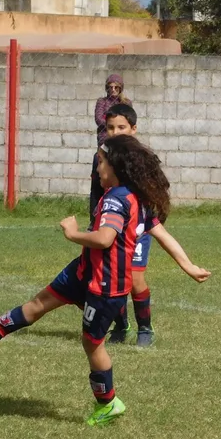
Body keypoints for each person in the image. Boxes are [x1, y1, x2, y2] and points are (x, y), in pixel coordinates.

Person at [0, 134, 211, 426]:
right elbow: (162, 234)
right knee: (39, 303)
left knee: (92, 343)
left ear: (116, 166)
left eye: (101, 162)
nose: (97, 168)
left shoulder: (118, 199)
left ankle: (108, 404)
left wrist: (72, 234)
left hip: (105, 286)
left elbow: (105, 238)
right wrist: (188, 265)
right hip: (84, 271)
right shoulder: (132, 196)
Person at [89, 104, 156, 347]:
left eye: (121, 127)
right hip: (110, 226)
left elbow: (151, 192)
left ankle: (145, 328)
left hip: (136, 229)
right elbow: (96, 191)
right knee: (112, 278)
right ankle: (120, 324)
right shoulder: (101, 156)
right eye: (110, 128)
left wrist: (147, 221)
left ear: (133, 129)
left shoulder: (141, 158)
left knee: (135, 279)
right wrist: (95, 221)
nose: (115, 132)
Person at [91, 74, 130, 218]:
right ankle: (94, 217)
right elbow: (99, 119)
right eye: (110, 87)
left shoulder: (126, 103)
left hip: (121, 145)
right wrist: (116, 122)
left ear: (120, 88)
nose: (113, 90)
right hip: (105, 143)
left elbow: (128, 119)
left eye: (116, 87)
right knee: (99, 179)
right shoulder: (102, 102)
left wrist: (110, 119)